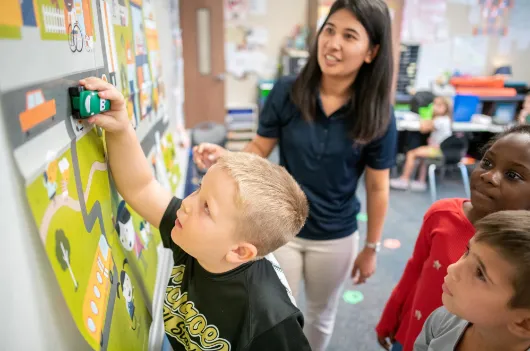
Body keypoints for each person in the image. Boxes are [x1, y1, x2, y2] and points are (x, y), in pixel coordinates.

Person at [194, 1, 397, 349]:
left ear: (371, 51)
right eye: (329, 30)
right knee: (273, 312)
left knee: (321, 315)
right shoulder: (288, 90)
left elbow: (378, 187)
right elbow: (260, 147)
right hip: (280, 228)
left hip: (336, 236)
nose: (332, 43)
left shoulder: (379, 114)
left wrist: (371, 248)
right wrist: (229, 159)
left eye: (349, 36)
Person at [78, 77, 312, 351]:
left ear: (239, 252)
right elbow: (141, 187)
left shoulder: (269, 319)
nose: (188, 204)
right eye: (199, 190)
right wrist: (120, 127)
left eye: (207, 207)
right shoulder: (195, 236)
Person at [376, 124, 530, 351]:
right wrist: (390, 316)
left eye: (513, 175)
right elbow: (415, 269)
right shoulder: (442, 215)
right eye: (487, 163)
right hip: (411, 333)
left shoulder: (523, 256)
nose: (489, 176)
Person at [415, 210, 530, 351]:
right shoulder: (442, 320)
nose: (452, 268)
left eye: (480, 273)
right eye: (467, 251)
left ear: (525, 323)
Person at [390, 96, 453, 191]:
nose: (434, 107)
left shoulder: (440, 120)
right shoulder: (446, 119)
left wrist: (425, 116)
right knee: (423, 157)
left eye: (438, 105)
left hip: (438, 150)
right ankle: (421, 181)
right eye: (434, 104)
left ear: (446, 108)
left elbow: (424, 128)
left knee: (411, 153)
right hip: (440, 149)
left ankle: (404, 179)